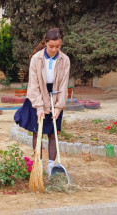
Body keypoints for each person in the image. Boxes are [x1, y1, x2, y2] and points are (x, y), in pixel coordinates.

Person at [15, 28, 70, 175]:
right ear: (45, 43)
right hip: (38, 96)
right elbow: (33, 85)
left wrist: (59, 107)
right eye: (51, 46)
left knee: (53, 133)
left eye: (57, 47)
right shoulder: (36, 59)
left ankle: (52, 167)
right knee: (37, 132)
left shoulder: (65, 60)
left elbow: (64, 85)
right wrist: (39, 107)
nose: (54, 49)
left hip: (56, 96)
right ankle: (38, 165)